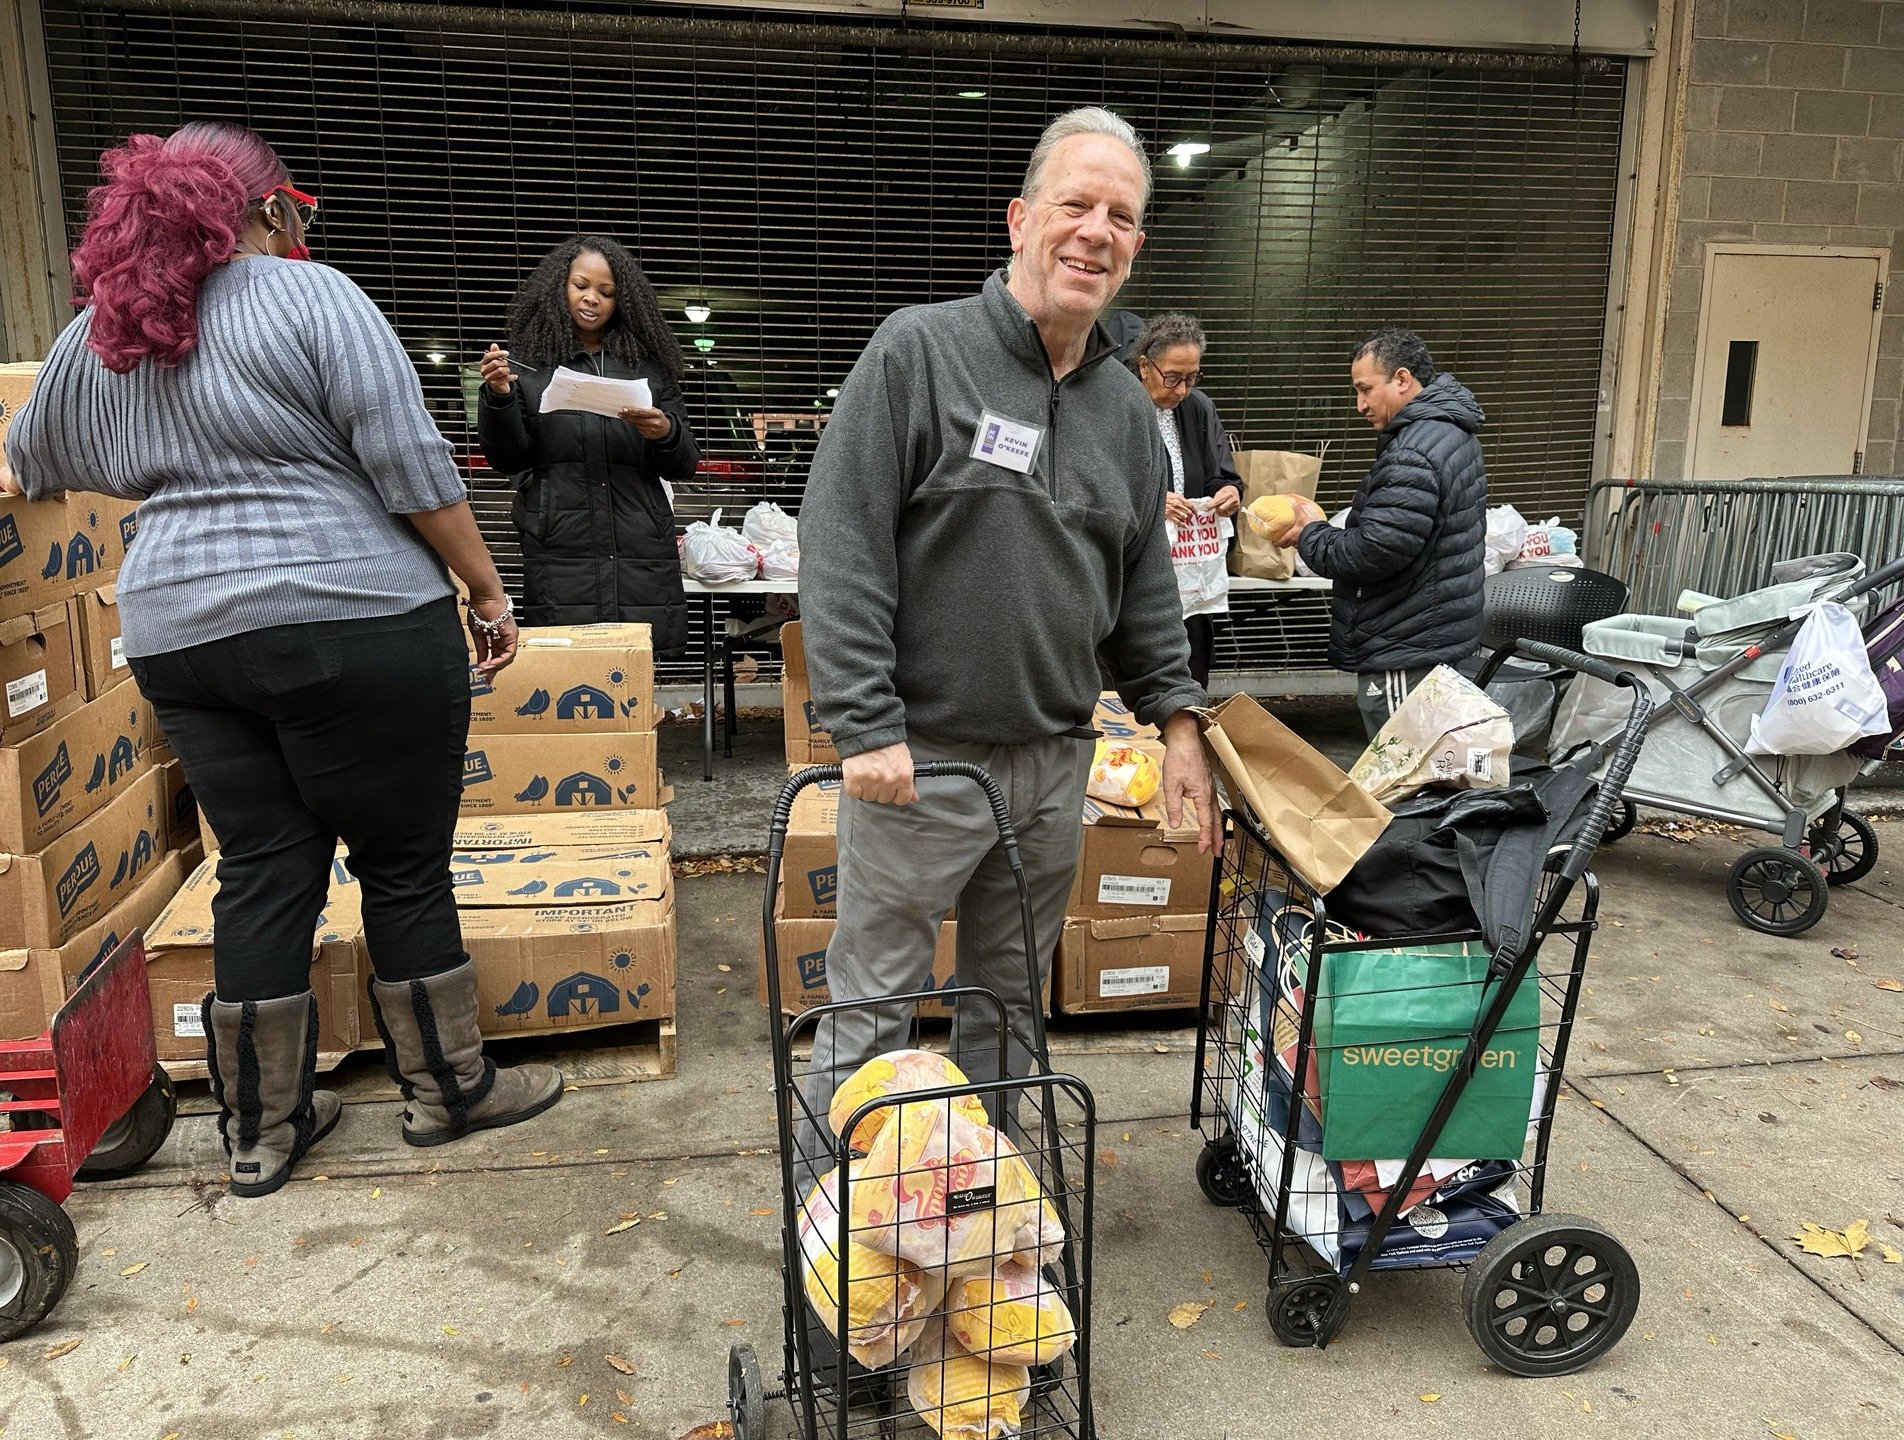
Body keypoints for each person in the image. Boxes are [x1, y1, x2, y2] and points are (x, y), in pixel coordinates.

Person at [0, 122, 562, 1199]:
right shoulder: (312, 299)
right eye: (295, 205)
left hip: (180, 635)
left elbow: (32, 458)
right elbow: (410, 467)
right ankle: (446, 1090)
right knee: (400, 864)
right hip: (353, 616)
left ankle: (259, 1130)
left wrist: (176, 469)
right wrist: (486, 590)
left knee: (259, 868)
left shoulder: (102, 331)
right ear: (264, 209)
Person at [798, 106, 1217, 1139]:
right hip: (921, 762)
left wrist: (1176, 724)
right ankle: (831, 1243)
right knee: (871, 1013)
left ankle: (989, 1221)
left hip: (1048, 764)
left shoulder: (1125, 410)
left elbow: (1142, 584)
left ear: (1135, 249)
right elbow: (841, 538)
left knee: (1005, 1009)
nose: (1094, 231)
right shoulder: (920, 352)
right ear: (1019, 218)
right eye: (1074, 204)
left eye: (1119, 216)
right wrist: (863, 722)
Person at [478, 236, 699, 651]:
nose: (592, 299)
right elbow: (507, 459)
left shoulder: (648, 368)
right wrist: (500, 396)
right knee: (567, 676)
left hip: (638, 544)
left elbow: (685, 464)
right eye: (581, 286)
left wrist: (663, 432)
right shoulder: (528, 364)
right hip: (561, 545)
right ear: (560, 286)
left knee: (633, 674)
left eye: (606, 292)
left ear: (623, 301)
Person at [1271, 325, 1486, 738]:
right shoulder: (1449, 432)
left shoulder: (1412, 451)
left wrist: (1307, 533)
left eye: (1365, 389)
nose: (1360, 404)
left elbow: (1372, 551)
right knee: (1430, 767)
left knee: (1401, 773)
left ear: (1402, 379)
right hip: (1430, 633)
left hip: (1405, 644)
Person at [1129, 312, 1242, 687]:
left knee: (1191, 664)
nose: (1182, 390)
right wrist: (1154, 501)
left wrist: (1229, 492)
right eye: (1173, 377)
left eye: (1192, 378)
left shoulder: (1198, 407)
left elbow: (1219, 473)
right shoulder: (1119, 405)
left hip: (1193, 564)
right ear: (1145, 366)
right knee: (1136, 661)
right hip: (1138, 567)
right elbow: (1097, 480)